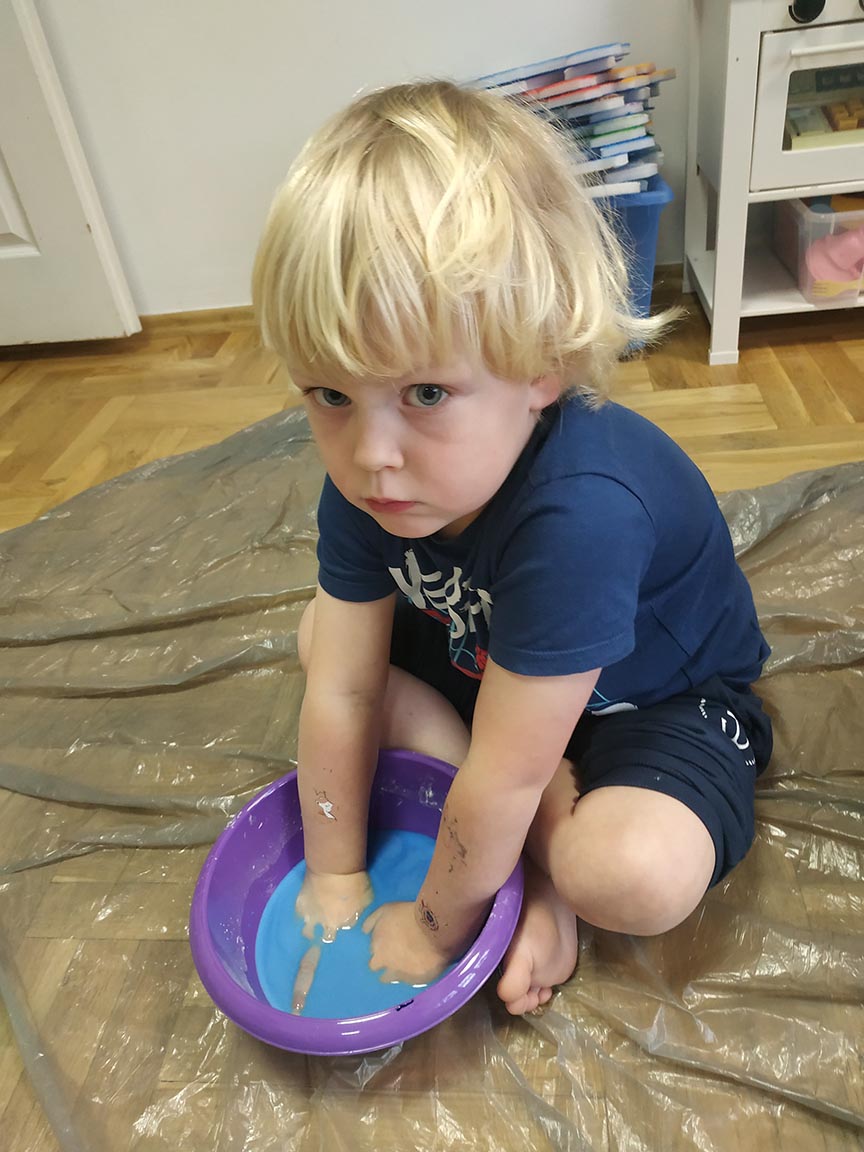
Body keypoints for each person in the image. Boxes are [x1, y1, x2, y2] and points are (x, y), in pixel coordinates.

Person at [251, 79, 773, 1016]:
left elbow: (508, 773)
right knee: (321, 641)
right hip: (494, 661)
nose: (371, 457)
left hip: (649, 701)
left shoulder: (583, 515)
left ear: (544, 366)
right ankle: (521, 864)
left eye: (424, 394)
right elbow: (343, 692)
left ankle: (533, 873)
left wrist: (434, 926)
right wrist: (334, 873)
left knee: (629, 873)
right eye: (330, 395)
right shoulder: (373, 481)